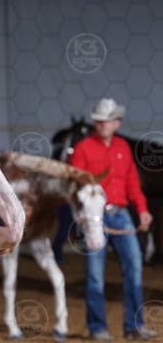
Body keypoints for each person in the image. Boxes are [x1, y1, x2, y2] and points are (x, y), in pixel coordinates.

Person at [69, 98, 155, 341]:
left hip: (121, 215)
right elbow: (75, 186)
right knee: (95, 275)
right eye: (98, 120)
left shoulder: (123, 148)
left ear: (117, 122)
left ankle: (134, 327)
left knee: (134, 267)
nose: (102, 124)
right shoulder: (83, 149)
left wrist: (142, 209)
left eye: (107, 120)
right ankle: (98, 328)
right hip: (95, 218)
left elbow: (132, 183)